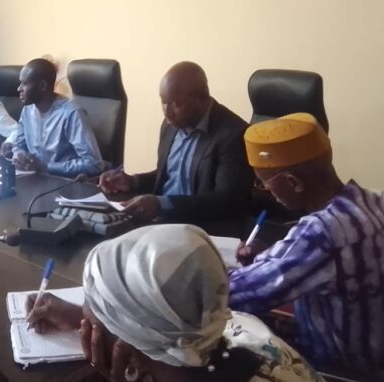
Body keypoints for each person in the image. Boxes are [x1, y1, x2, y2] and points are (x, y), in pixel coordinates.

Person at [26, 224, 322, 382]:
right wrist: (79, 315)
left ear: (129, 357)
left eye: (91, 317)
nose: (84, 326)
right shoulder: (232, 324)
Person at [230, 113, 384, 377]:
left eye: (264, 184)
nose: (267, 193)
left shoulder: (321, 233)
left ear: (293, 182)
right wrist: (266, 259)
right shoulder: (374, 201)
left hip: (338, 370)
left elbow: (238, 295)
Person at [98, 61, 252, 222]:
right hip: (160, 220)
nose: (167, 112)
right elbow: (168, 176)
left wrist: (162, 204)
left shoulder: (233, 134)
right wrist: (132, 181)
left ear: (202, 96)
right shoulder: (170, 125)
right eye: (164, 102)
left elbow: (226, 201)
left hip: (199, 225)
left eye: (176, 104)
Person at [6, 58, 103, 178]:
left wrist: (47, 167)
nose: (19, 88)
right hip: (34, 178)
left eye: (24, 84)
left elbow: (94, 163)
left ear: (42, 86)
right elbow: (19, 145)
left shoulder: (71, 113)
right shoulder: (28, 110)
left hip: (63, 181)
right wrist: (19, 155)